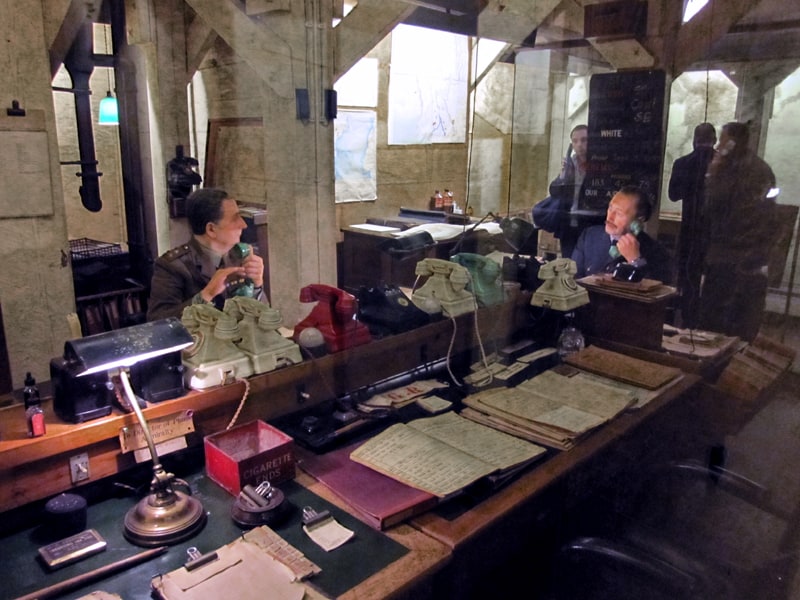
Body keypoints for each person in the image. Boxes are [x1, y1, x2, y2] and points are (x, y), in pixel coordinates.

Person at [698, 121, 777, 341]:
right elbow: (770, 210)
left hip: (728, 255)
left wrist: (712, 173)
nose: (718, 145)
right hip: (752, 258)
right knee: (742, 324)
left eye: (723, 140)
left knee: (716, 320)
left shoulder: (728, 170)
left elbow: (712, 205)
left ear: (732, 142)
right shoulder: (763, 169)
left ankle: (714, 370)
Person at [147, 188, 266, 321]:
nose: (243, 225)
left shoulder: (240, 256)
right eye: (235, 219)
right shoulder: (173, 266)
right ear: (211, 229)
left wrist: (256, 286)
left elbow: (265, 320)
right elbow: (158, 323)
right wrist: (205, 295)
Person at [668, 123, 716, 328]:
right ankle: (707, 323)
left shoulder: (682, 163)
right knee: (713, 279)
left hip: (690, 229)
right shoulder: (723, 163)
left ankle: (688, 322)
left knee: (689, 278)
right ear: (714, 139)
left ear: (695, 140)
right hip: (715, 233)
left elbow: (673, 195)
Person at [571, 185, 672, 284]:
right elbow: (572, 278)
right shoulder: (590, 237)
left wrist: (635, 260)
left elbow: (658, 291)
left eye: (619, 213)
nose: (610, 217)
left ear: (638, 220)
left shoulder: (655, 251)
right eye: (610, 208)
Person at [534, 125, 599, 259]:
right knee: (569, 264)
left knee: (587, 262)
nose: (579, 145)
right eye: (575, 141)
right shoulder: (570, 164)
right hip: (569, 223)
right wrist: (563, 175)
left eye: (584, 140)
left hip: (589, 223)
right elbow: (554, 192)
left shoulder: (599, 164)